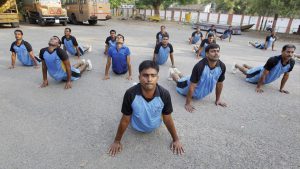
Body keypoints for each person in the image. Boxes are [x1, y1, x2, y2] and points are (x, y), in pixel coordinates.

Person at [108, 60, 184, 156]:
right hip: (136, 126)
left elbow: (167, 118)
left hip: (155, 126)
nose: (149, 79)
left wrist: (176, 139)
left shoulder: (164, 94)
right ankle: (136, 87)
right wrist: (117, 141)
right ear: (139, 77)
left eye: (153, 75)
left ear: (158, 78)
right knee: (133, 103)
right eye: (145, 75)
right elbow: (125, 119)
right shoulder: (130, 94)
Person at [170, 44, 226, 113]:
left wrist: (218, 100)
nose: (216, 53)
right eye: (213, 51)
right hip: (186, 85)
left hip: (195, 79)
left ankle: (177, 71)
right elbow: (192, 86)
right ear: (207, 54)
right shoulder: (199, 66)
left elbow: (220, 84)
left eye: (218, 51)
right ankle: (172, 73)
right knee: (178, 81)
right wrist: (188, 103)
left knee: (187, 78)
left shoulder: (222, 66)